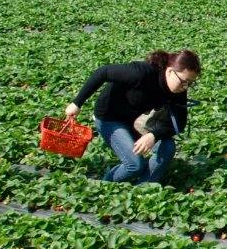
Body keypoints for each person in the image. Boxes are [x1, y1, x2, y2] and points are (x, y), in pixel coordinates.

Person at [65, 50, 200, 185]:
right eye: (184, 81)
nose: (185, 86)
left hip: (134, 120)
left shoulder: (178, 89)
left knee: (168, 146)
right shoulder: (141, 72)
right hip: (109, 118)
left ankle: (144, 187)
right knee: (135, 165)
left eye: (190, 83)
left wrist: (153, 135)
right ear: (170, 71)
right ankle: (104, 185)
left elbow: (180, 123)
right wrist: (77, 103)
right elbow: (104, 72)